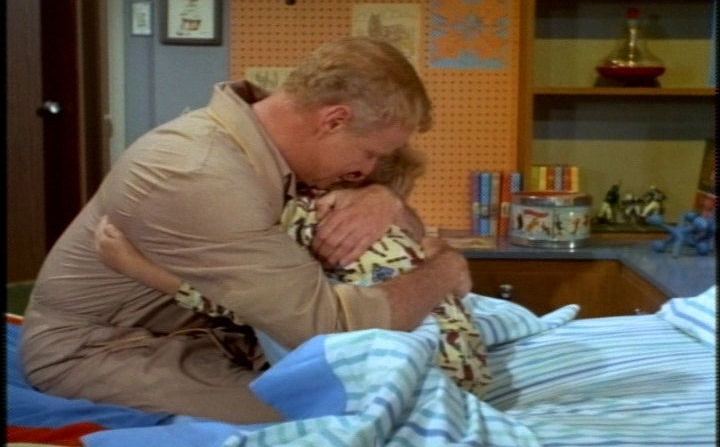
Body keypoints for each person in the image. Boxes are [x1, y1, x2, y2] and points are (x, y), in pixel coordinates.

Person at [20, 37, 472, 424]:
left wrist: (385, 199)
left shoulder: (273, 147)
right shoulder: (198, 174)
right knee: (347, 416)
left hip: (207, 330)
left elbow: (402, 241)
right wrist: (445, 271)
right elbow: (332, 329)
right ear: (333, 120)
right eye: (369, 154)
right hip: (103, 348)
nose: (366, 170)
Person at [94, 146, 492, 397]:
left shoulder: (315, 214)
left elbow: (256, 302)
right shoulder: (396, 227)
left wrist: (138, 268)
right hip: (466, 374)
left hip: (406, 378)